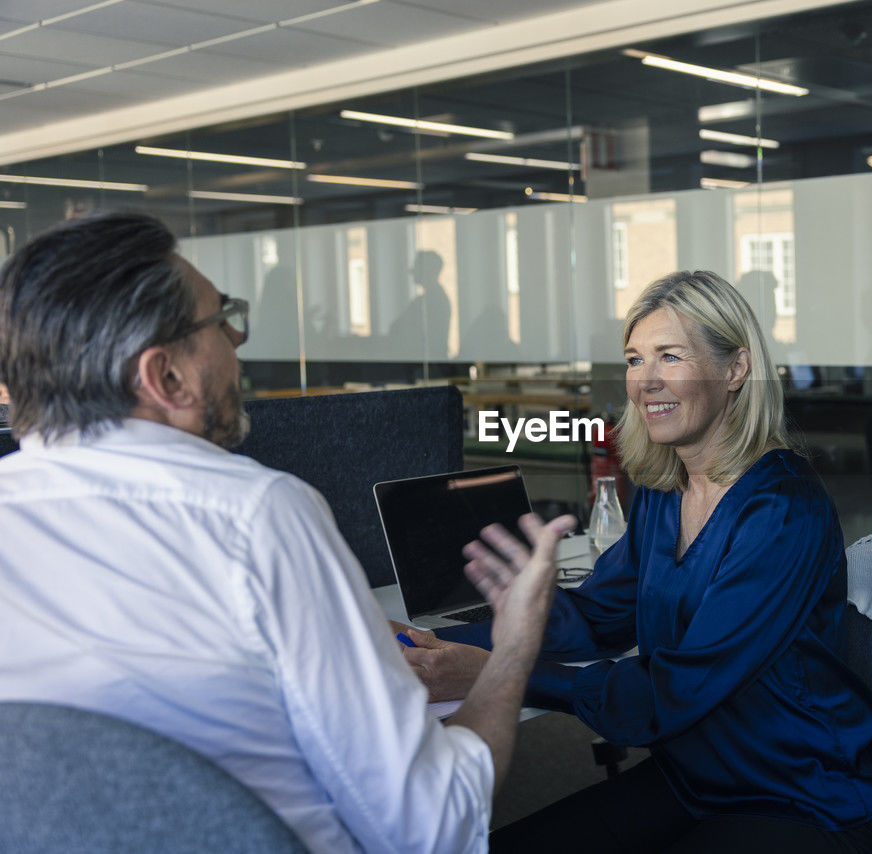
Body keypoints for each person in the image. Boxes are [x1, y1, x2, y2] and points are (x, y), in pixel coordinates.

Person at [0, 211, 573, 853]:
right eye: (221, 321)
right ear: (167, 377)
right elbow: (428, 826)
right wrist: (515, 645)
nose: (237, 343)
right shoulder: (253, 515)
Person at [411, 271, 872, 853]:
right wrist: (424, 644)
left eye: (670, 355)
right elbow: (594, 618)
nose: (646, 381)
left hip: (798, 796)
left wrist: (499, 672)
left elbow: (675, 691)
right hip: (696, 778)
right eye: (635, 360)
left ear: (736, 368)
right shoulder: (667, 492)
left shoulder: (782, 511)